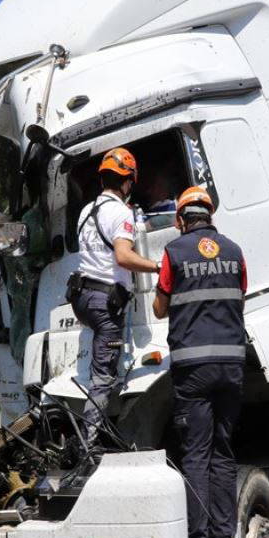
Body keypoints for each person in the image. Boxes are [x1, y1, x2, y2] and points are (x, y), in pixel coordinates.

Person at [153, 186, 248, 538]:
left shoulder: (174, 252)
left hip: (193, 369)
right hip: (231, 366)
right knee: (222, 453)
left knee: (195, 454)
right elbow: (240, 293)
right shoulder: (235, 251)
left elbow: (160, 307)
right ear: (210, 215)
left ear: (180, 220)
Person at [68, 148, 161, 448]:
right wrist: (158, 266)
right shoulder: (122, 213)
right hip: (104, 303)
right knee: (104, 377)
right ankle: (88, 445)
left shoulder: (86, 211)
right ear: (128, 181)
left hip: (82, 298)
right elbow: (123, 256)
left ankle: (99, 428)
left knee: (101, 369)